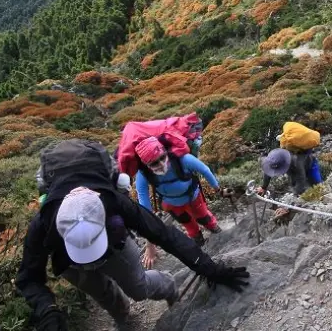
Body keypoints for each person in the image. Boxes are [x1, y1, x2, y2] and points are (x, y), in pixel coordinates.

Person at [15, 139, 249, 331]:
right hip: (69, 261)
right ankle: (124, 318)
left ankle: (168, 285)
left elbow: (163, 234)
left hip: (112, 248)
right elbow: (28, 277)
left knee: (139, 289)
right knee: (104, 296)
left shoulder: (115, 202)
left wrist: (210, 269)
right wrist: (47, 310)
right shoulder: (43, 221)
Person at [133, 136, 223, 262]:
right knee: (187, 222)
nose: (161, 164)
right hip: (171, 204)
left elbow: (205, 170)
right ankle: (198, 239)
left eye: (162, 157)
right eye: (154, 163)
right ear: (146, 164)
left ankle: (214, 228)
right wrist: (150, 241)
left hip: (192, 196)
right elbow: (144, 203)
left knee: (202, 216)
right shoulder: (143, 174)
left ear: (166, 152)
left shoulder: (182, 159)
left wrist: (217, 188)